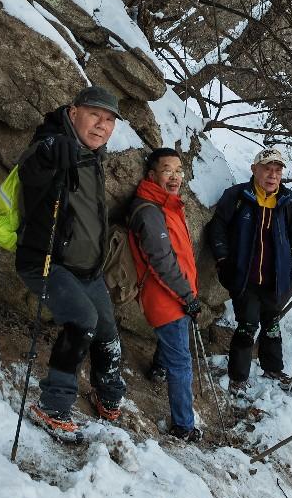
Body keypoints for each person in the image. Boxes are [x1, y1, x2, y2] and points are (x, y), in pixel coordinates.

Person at [16, 85, 127, 438]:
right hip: (46, 262)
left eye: (109, 120)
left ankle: (107, 394)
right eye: (95, 114)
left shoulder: (94, 155)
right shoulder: (53, 143)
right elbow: (30, 171)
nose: (102, 125)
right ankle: (53, 405)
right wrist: (49, 151)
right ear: (74, 111)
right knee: (83, 321)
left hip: (88, 270)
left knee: (108, 331)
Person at [208, 147, 292, 394]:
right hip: (244, 277)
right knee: (247, 325)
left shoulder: (287, 202)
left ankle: (272, 368)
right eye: (267, 169)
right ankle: (238, 377)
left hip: (276, 279)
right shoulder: (238, 196)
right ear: (255, 170)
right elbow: (217, 228)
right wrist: (223, 259)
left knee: (272, 324)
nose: (272, 175)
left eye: (277, 170)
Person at [128, 148, 201, 441]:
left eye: (179, 170)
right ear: (151, 175)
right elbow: (161, 262)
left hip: (177, 294)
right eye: (167, 170)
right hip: (167, 297)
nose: (175, 177)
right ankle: (183, 425)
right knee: (182, 361)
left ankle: (158, 369)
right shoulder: (150, 212)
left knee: (175, 348)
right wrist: (187, 295)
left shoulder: (168, 206)